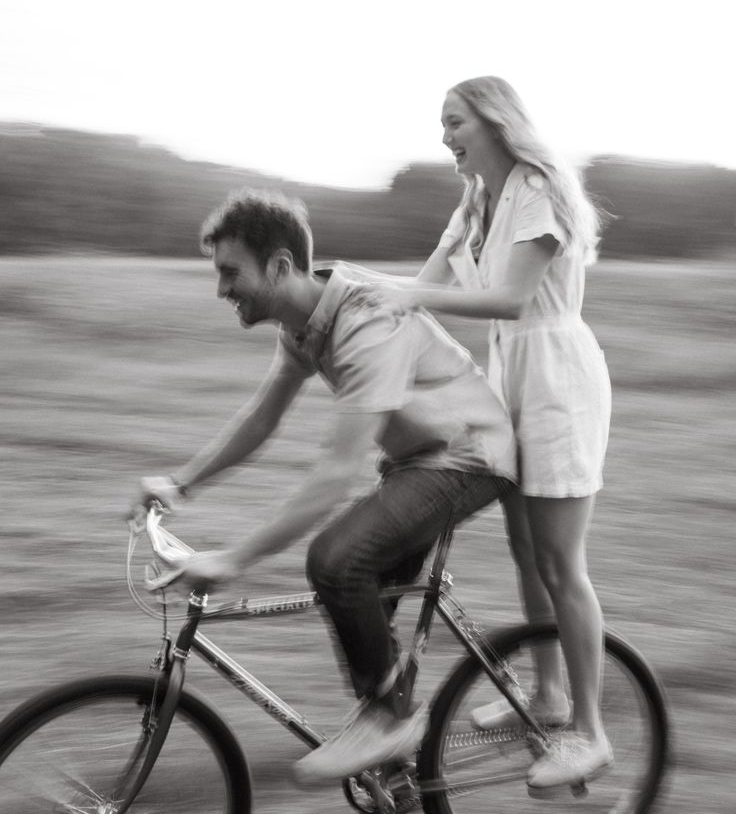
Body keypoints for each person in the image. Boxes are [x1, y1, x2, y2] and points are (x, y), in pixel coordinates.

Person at [132, 186, 517, 783]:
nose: (221, 289)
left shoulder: (365, 322)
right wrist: (180, 483)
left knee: (337, 562)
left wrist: (233, 559)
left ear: (280, 266)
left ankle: (388, 722)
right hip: (417, 462)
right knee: (359, 604)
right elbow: (262, 418)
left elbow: (335, 473)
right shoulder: (305, 322)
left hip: (468, 458)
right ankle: (399, 761)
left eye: (230, 272)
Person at [388, 76, 613, 791]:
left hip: (556, 379)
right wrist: (355, 300)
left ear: (493, 121)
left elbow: (512, 299)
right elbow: (420, 288)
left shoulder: (538, 188)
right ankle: (544, 697)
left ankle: (590, 732)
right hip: (507, 378)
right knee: (523, 551)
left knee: (559, 561)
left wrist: (412, 295)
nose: (446, 136)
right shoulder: (477, 200)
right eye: (442, 124)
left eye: (454, 121)